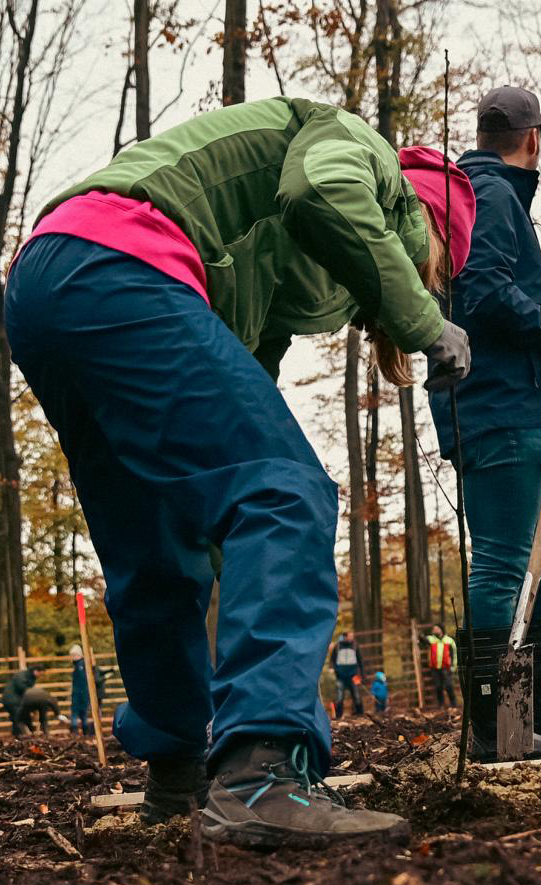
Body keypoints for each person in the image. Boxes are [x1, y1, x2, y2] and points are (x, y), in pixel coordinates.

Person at [5, 97, 477, 844]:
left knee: (159, 549)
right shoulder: (367, 156)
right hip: (128, 261)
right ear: (419, 240)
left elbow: (237, 369)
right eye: (431, 276)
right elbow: (319, 191)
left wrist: (236, 549)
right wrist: (426, 321)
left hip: (48, 283)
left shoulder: (287, 274)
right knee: (288, 494)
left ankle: (179, 771)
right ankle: (262, 774)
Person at [427, 86, 541, 760]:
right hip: (495, 408)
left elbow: (481, 300)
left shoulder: (474, 194)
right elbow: (483, 292)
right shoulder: (493, 195)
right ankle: (495, 728)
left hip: (511, 400)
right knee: (506, 562)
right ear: (534, 139)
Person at [329, 632, 366, 719]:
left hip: (353, 675)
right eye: (350, 636)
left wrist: (362, 673)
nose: (352, 638)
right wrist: (334, 670)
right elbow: (332, 660)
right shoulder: (337, 646)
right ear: (345, 637)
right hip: (340, 676)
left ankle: (360, 714)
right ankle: (338, 716)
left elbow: (360, 660)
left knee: (356, 696)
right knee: (339, 697)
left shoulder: (355, 646)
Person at [424, 624, 459, 710]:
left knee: (448, 685)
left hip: (446, 667)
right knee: (438, 687)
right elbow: (423, 640)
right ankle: (441, 705)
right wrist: (419, 636)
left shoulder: (449, 641)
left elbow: (454, 654)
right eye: (433, 629)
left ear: (441, 630)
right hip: (435, 668)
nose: (434, 630)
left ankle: (453, 704)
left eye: (436, 628)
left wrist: (453, 667)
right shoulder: (431, 639)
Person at [3, 665, 44, 737]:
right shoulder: (23, 676)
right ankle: (19, 737)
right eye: (40, 673)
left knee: (18, 718)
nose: (40, 676)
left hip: (15, 700)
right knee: (18, 718)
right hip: (12, 700)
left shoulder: (29, 676)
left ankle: (18, 737)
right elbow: (24, 689)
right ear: (36, 671)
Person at [69, 644, 94, 737]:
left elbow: (82, 682)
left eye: (74, 655)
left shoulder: (80, 666)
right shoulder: (81, 665)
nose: (73, 657)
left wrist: (78, 693)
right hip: (82, 693)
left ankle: (76, 732)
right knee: (82, 713)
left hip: (80, 693)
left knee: (76, 713)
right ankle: (84, 732)